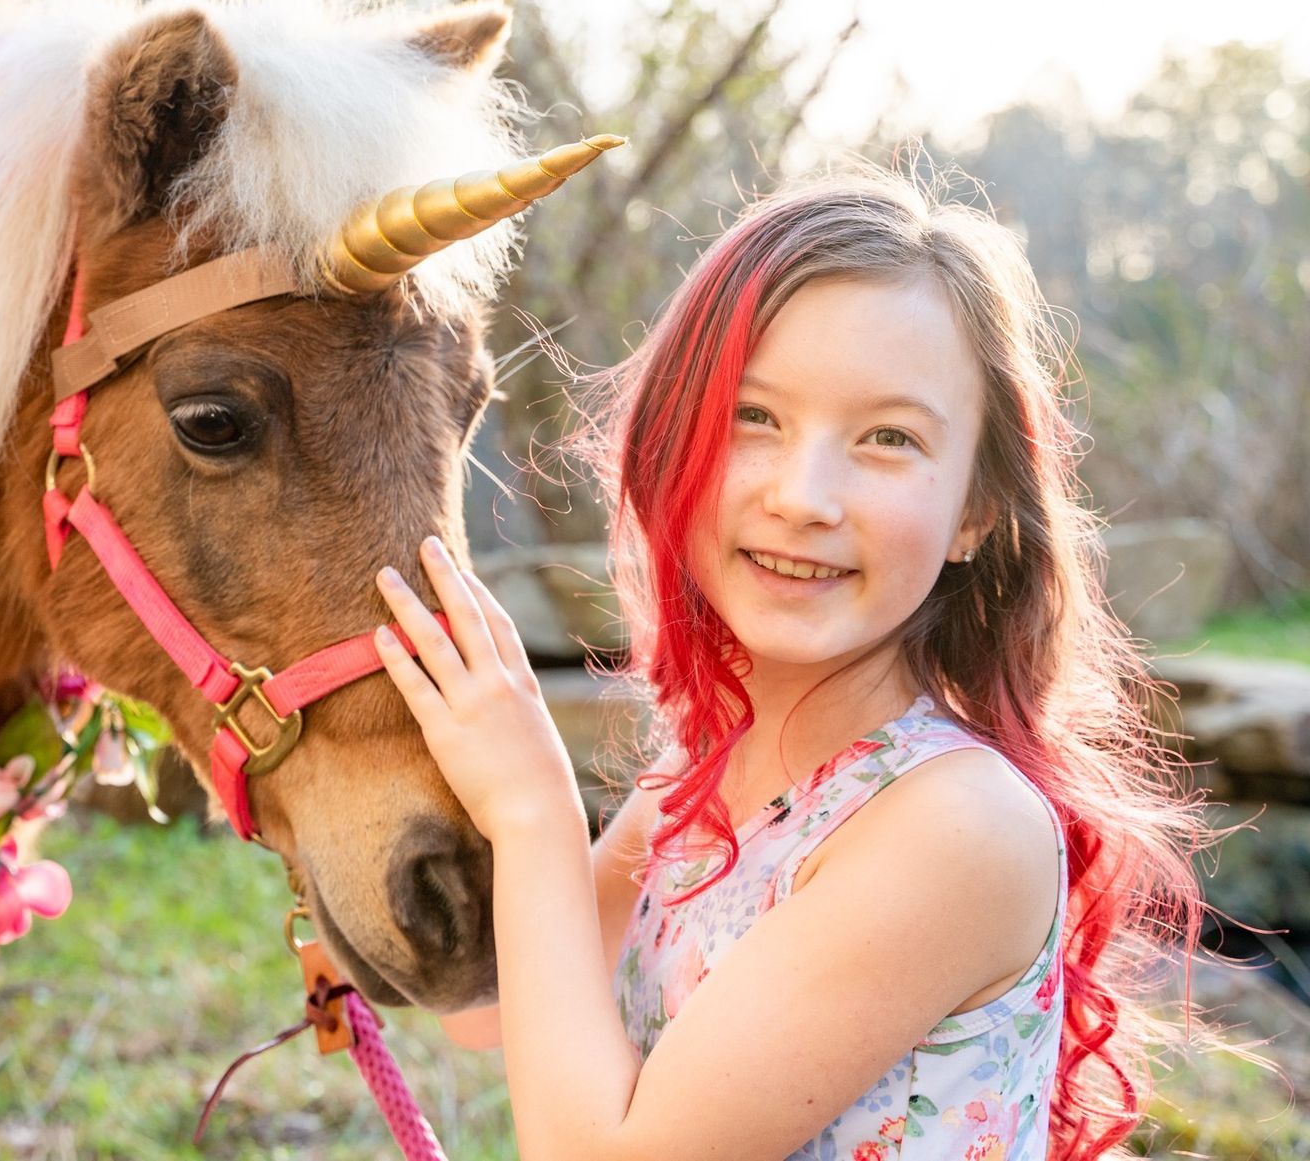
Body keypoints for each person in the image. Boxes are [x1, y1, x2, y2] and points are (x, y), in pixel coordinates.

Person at [371, 170, 1210, 1160]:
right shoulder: (705, 776)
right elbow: (494, 1005)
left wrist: (536, 811)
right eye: (754, 418)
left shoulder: (956, 827)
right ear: (672, 443)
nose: (805, 495)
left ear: (977, 514)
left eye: (888, 439)